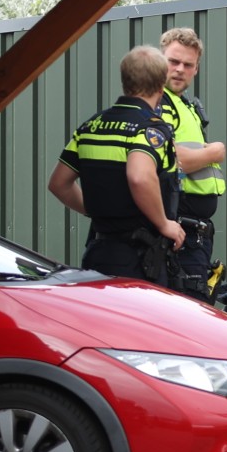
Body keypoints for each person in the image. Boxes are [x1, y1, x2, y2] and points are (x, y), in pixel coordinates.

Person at [48, 46, 185, 279]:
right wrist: (163, 223)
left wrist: (98, 210)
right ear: (161, 86)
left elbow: (59, 184)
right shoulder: (151, 128)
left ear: (125, 81)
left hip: (97, 255)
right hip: (140, 262)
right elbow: (139, 176)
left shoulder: (90, 126)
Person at [160, 27, 227, 300]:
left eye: (188, 64)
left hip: (194, 232)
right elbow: (170, 161)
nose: (179, 69)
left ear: (196, 69)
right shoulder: (160, 103)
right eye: (173, 62)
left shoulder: (184, 105)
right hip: (179, 234)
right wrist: (215, 152)